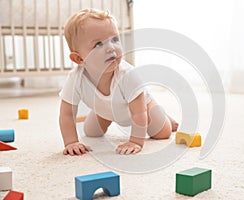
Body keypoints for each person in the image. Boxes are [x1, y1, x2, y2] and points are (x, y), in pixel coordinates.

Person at [59, 8, 178, 156]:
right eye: (98, 44)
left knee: (162, 133)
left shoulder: (127, 75)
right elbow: (67, 115)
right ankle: (104, 113)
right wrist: (71, 142)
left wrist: (135, 141)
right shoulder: (75, 78)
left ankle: (165, 116)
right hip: (105, 110)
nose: (111, 48)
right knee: (91, 132)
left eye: (115, 39)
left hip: (141, 108)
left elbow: (139, 113)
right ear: (79, 59)